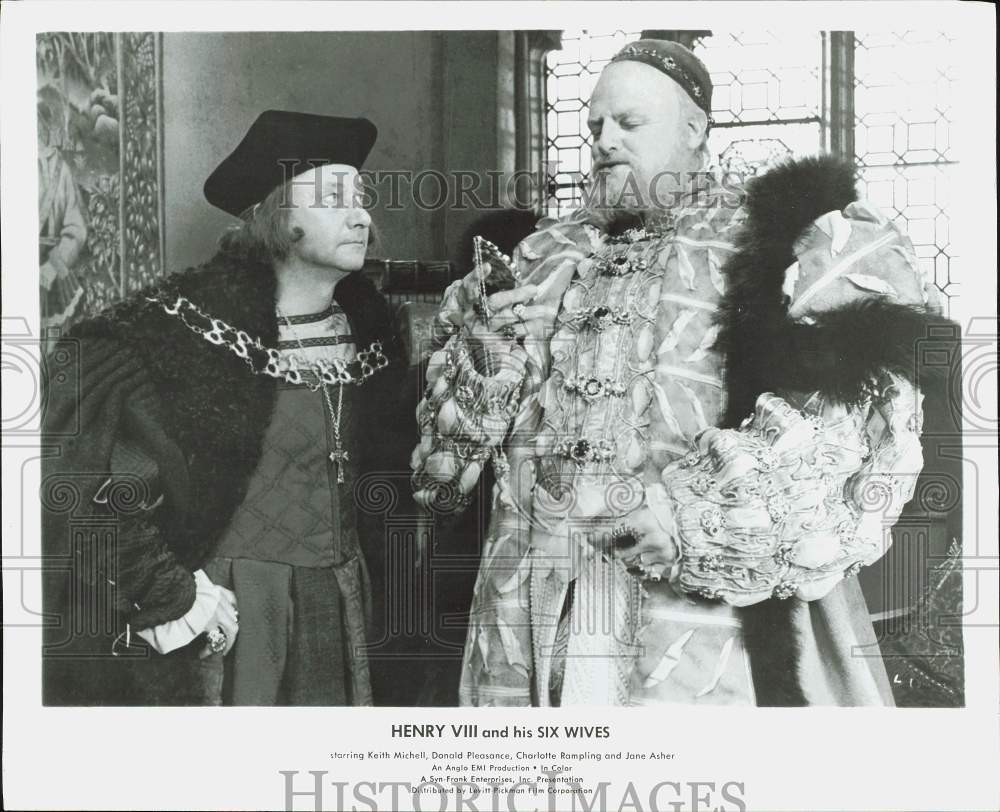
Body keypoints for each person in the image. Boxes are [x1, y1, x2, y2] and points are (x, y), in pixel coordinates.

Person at [411, 40, 944, 706]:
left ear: (695, 130)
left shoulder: (770, 243)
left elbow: (853, 414)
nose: (604, 140)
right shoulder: (545, 255)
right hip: (535, 594)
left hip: (695, 611)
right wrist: (487, 363)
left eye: (629, 124)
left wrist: (689, 518)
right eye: (595, 126)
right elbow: (443, 476)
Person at [42, 110, 406, 705]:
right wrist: (176, 596)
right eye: (335, 198)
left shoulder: (373, 330)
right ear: (275, 213)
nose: (362, 216)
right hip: (237, 611)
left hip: (341, 601)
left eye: (361, 199)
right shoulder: (180, 331)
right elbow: (92, 487)